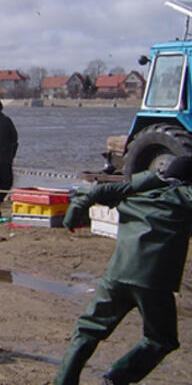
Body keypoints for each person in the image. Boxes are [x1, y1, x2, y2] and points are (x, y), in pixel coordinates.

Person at [54, 156, 192, 385]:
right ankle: (116, 378)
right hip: (154, 283)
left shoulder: (133, 195)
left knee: (88, 331)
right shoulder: (184, 200)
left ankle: (63, 382)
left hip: (115, 277)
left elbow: (94, 192)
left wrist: (72, 215)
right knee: (161, 340)